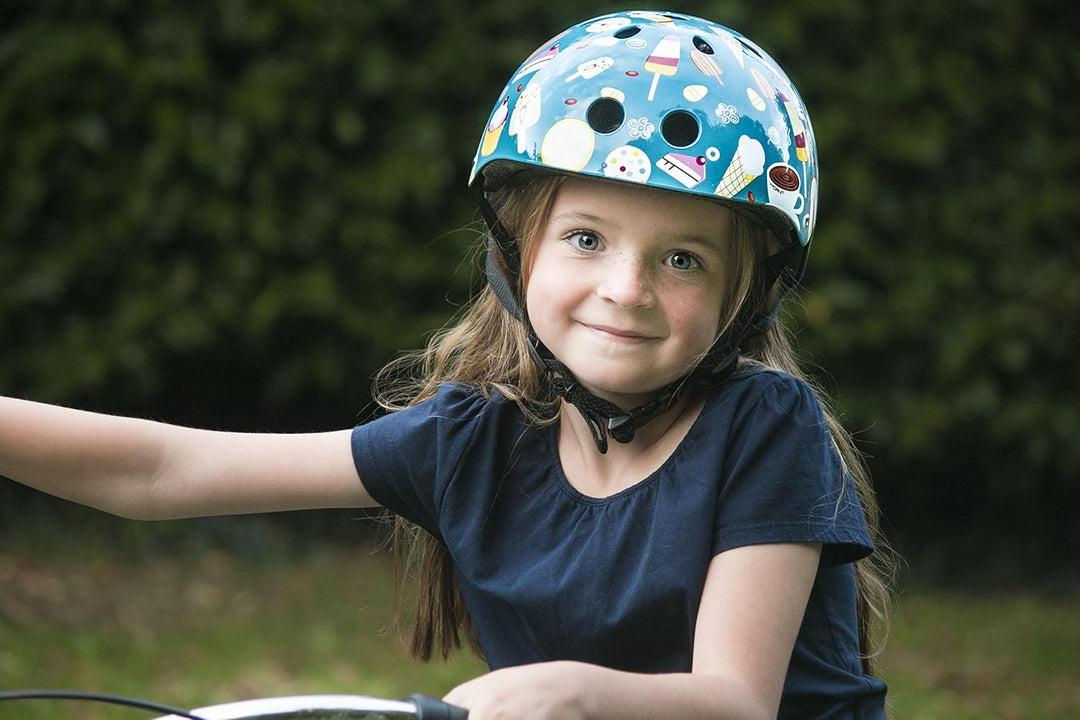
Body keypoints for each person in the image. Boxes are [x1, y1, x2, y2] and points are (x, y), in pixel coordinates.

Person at [0, 10, 893, 720]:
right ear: (518, 250)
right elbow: (165, 469)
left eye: (683, 259)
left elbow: (734, 704)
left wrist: (567, 692)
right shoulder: (478, 439)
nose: (627, 289)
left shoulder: (765, 427)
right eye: (586, 238)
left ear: (751, 289)